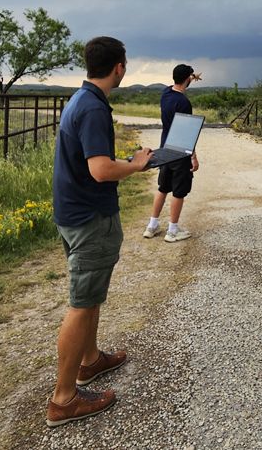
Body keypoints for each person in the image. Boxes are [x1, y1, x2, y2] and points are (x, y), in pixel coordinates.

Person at [47, 36, 154, 427]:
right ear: (119, 68)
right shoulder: (93, 109)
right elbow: (101, 170)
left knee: (89, 297)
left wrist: (134, 160)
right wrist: (138, 166)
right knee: (81, 303)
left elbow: (96, 162)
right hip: (90, 218)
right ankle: (63, 399)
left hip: (73, 212)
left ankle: (90, 362)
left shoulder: (79, 99)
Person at [144, 64, 201, 242]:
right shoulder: (184, 103)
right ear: (187, 79)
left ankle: (152, 226)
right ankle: (173, 231)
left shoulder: (165, 93)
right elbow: (187, 134)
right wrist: (193, 157)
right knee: (179, 191)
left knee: (163, 187)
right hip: (179, 152)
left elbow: (178, 84)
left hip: (164, 150)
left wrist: (191, 77)